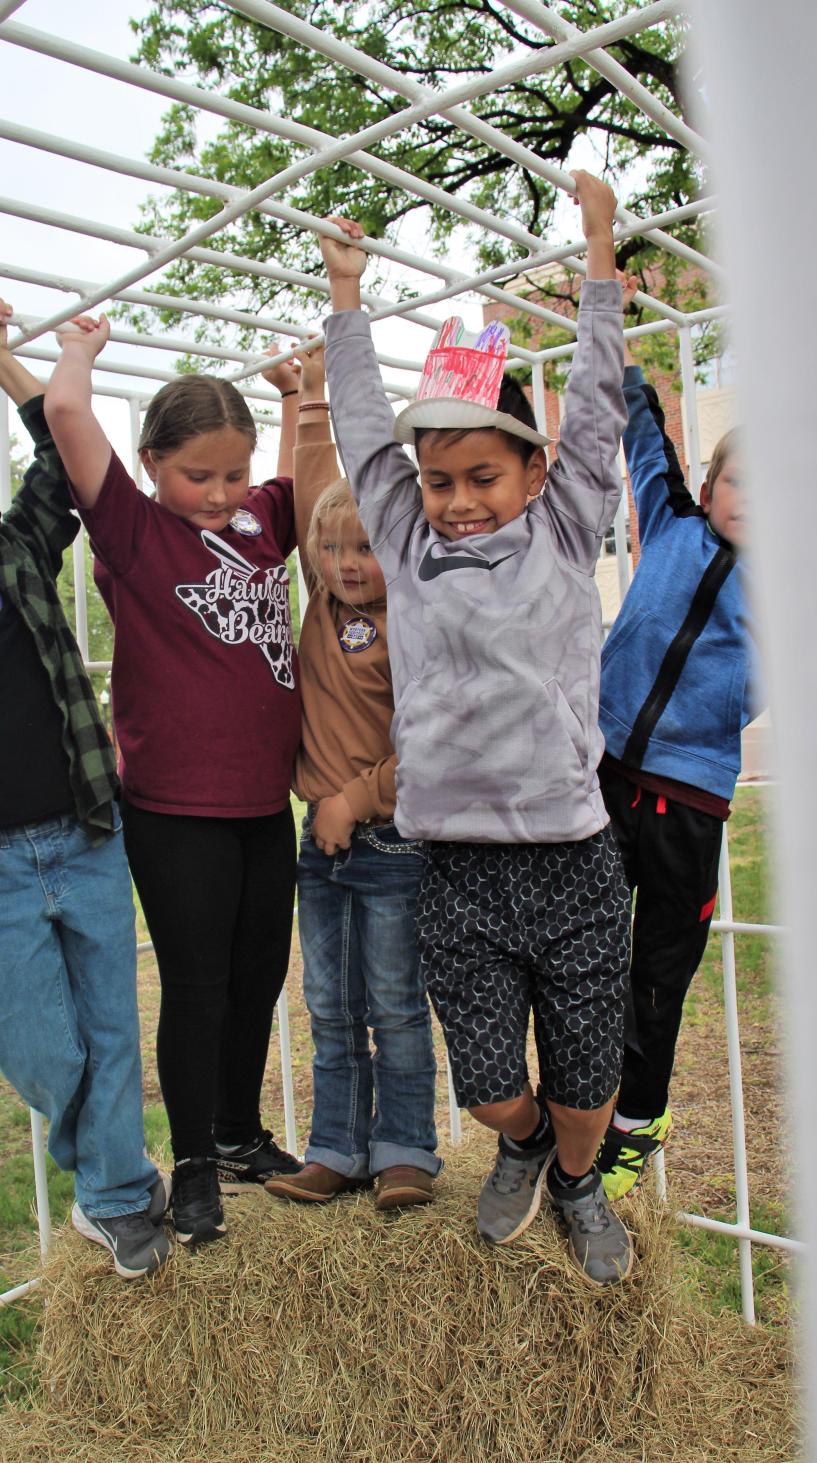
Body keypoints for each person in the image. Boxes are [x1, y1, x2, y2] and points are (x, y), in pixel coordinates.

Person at [318, 174, 635, 1285]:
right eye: (440, 479)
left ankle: (582, 1176)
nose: (456, 499)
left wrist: (600, 257)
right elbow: (364, 437)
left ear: (536, 472)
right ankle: (524, 1145)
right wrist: (344, 298)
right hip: (455, 865)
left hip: (573, 858)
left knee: (590, 1081)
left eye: (482, 477)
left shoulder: (560, 529)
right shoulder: (408, 544)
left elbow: (597, 403)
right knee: (497, 1082)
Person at [0, 289, 169, 1280]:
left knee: (112, 1027)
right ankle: (107, 1157)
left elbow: (58, 455)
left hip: (88, 835)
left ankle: (117, 1197)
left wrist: (7, 358)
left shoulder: (15, 551)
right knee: (45, 1050)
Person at [43, 316, 302, 1250]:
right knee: (197, 987)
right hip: (176, 812)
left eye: (236, 471)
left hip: (267, 807)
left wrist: (292, 400)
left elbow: (308, 485)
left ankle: (238, 1132)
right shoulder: (135, 529)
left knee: (260, 977)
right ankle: (192, 1160)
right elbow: (66, 410)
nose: (222, 491)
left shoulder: (264, 519)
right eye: (201, 474)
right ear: (152, 461)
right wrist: (80, 350)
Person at [263, 341, 441, 1211]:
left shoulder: (412, 621)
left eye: (367, 547)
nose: (345, 562)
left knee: (398, 1008)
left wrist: (354, 797)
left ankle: (405, 1149)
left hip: (392, 844)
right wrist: (307, 398)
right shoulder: (326, 603)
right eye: (332, 549)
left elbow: (438, 746)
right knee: (331, 1009)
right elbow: (309, 488)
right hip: (321, 850)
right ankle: (335, 1146)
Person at [595, 317, 754, 1200]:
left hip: (690, 806)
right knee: (581, 950)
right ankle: (576, 1104)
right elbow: (641, 431)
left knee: (658, 975)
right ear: (707, 480)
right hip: (608, 775)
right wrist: (621, 360)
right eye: (743, 482)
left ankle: (636, 1122)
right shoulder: (670, 521)